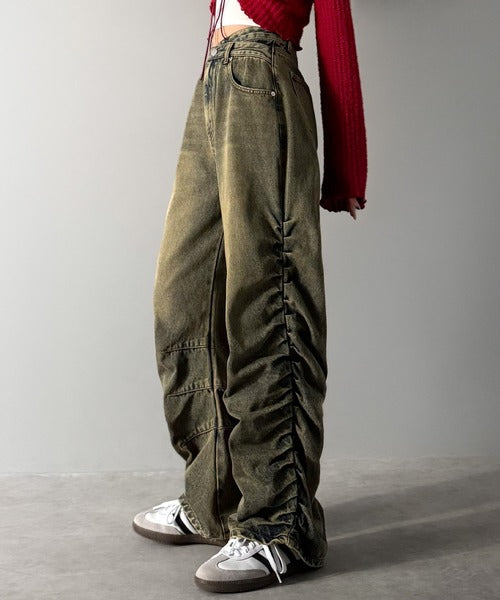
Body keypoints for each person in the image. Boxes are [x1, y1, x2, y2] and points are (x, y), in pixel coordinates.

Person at [132, 0, 368, 593]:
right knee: (183, 299)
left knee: (268, 298)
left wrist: (347, 168)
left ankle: (279, 524)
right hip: (213, 80)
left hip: (262, 72)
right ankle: (213, 498)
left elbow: (335, 21)